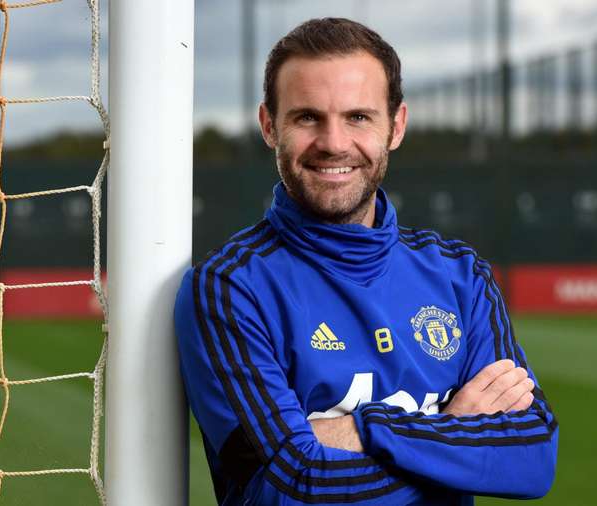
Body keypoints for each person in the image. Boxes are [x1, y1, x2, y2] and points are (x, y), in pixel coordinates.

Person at [175, 18, 557, 505]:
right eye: (307, 117)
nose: (334, 143)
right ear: (269, 126)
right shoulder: (230, 288)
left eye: (358, 116)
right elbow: (288, 490)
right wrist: (452, 432)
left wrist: (361, 430)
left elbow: (530, 455)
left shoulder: (462, 277)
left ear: (396, 126)